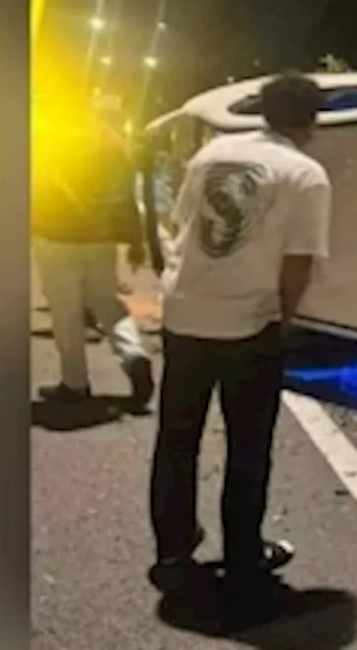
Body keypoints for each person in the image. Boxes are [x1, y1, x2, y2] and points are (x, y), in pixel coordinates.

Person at [148, 72, 331, 595]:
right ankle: (244, 556)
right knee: (249, 444)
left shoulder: (212, 154)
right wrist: (286, 321)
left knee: (177, 438)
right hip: (248, 325)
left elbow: (183, 226)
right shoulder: (306, 174)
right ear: (312, 121)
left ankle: (173, 553)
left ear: (262, 109)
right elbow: (297, 263)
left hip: (183, 315)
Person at [31, 91, 154, 407]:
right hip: (100, 237)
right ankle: (133, 353)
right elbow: (128, 194)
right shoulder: (110, 141)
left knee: (66, 311)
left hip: (54, 236)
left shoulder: (46, 138)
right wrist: (136, 240)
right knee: (106, 301)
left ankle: (75, 384)